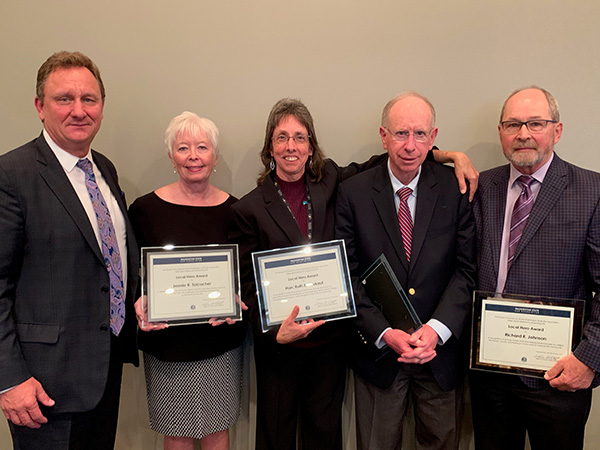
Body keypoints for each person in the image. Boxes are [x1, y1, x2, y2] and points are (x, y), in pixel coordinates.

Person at [229, 97, 477, 450]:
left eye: (300, 137)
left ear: (311, 145)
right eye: (282, 137)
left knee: (324, 435)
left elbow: (395, 154)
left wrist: (450, 155)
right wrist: (271, 332)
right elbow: (248, 284)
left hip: (330, 343)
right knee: (276, 436)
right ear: (269, 145)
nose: (291, 147)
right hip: (282, 347)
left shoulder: (331, 180)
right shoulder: (249, 208)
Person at [0, 51, 139, 449]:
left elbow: (111, 261)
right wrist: (9, 378)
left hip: (103, 370)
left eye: (89, 99)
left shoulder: (105, 170)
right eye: (64, 99)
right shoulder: (12, 175)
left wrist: (138, 302)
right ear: (40, 108)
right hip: (42, 386)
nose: (79, 111)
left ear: (101, 106)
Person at [335, 91, 477, 450]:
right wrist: (385, 332)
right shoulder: (353, 193)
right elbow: (347, 276)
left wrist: (435, 330)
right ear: (383, 136)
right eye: (400, 134)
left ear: (433, 137)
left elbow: (467, 270)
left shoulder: (455, 187)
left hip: (439, 355)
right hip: (380, 355)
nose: (410, 145)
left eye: (419, 134)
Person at [470, 86, 600, 450]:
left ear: (556, 131)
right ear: (500, 132)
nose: (523, 133)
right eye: (512, 124)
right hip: (489, 374)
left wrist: (588, 359)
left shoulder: (592, 190)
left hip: (557, 375)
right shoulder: (483, 185)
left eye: (535, 123)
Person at [128, 112, 247, 450]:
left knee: (217, 430)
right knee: (176, 431)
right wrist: (138, 301)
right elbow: (128, 274)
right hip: (168, 343)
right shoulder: (144, 210)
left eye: (202, 147)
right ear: (171, 157)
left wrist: (238, 301)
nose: (193, 156)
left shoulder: (236, 211)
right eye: (183, 148)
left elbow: (245, 276)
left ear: (215, 156)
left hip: (219, 340)